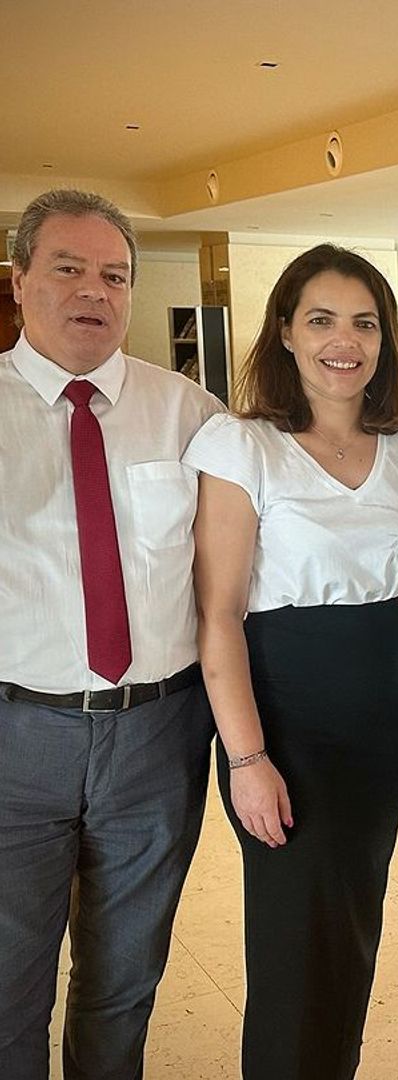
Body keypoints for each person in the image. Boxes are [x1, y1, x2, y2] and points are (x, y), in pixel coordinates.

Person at [183, 244, 398, 1079]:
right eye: (321, 319)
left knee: (352, 933)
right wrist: (247, 759)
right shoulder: (242, 443)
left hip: (379, 712)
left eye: (365, 322)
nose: (345, 340)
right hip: (282, 718)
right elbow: (217, 616)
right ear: (286, 333)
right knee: (293, 948)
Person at [0, 190, 222, 1079]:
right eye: (67, 268)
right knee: (9, 986)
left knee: (124, 980)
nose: (94, 291)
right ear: (19, 281)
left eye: (115, 275)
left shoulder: (194, 416)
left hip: (157, 736)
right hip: (16, 738)